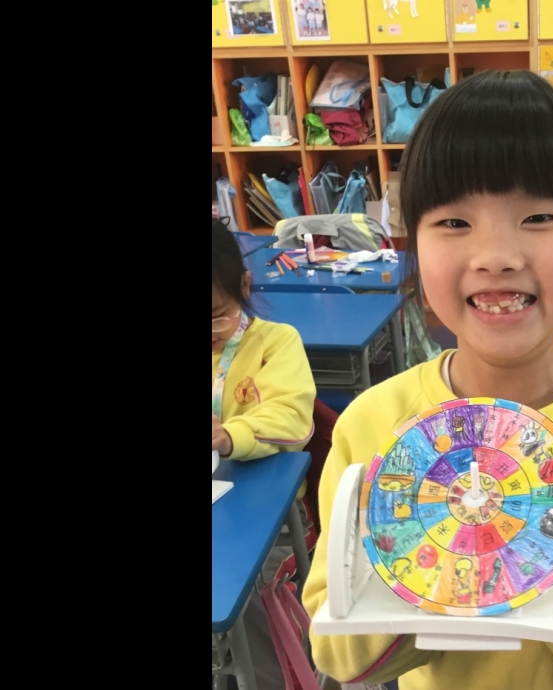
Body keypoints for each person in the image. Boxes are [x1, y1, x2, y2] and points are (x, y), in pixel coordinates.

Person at [303, 70, 553, 690]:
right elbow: (338, 655)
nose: (495, 255)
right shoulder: (373, 426)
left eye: (539, 216)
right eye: (454, 223)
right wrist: (413, 562)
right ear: (413, 244)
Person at [212, 219, 317, 690]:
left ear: (244, 285)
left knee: (243, 598)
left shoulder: (276, 343)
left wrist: (230, 435)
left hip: (263, 508)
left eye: (216, 315)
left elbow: (291, 419)